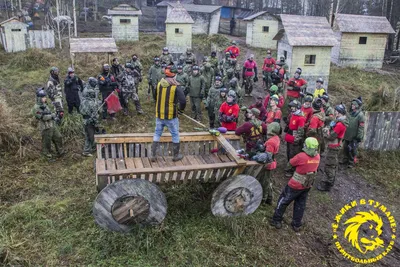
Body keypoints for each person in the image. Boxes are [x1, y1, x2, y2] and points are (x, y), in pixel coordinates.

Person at [270, 137, 320, 232]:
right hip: (307, 185)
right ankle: (296, 224)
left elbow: (290, 164)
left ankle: (276, 220)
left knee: (284, 200)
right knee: (300, 204)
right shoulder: (318, 156)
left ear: (306, 145)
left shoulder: (301, 156)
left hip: (295, 185)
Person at [150, 66, 186, 162]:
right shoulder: (176, 86)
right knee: (175, 134)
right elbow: (183, 100)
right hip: (171, 116)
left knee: (157, 133)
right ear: (174, 75)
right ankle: (176, 155)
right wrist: (181, 110)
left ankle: (153, 155)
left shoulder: (159, 84)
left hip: (159, 114)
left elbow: (155, 97)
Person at [318, 104, 348, 191]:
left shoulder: (340, 124)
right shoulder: (339, 121)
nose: (335, 112)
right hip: (335, 145)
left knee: (329, 165)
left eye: (336, 111)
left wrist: (325, 132)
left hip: (333, 147)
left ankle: (327, 184)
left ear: (339, 113)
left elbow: (331, 136)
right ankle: (329, 181)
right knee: (332, 165)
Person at [33, 88, 65, 159]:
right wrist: (52, 115)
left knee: (58, 137)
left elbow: (49, 113)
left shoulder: (45, 105)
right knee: (46, 143)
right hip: (45, 127)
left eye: (45, 97)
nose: (45, 98)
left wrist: (55, 116)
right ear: (39, 98)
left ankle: (60, 151)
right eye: (43, 97)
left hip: (52, 125)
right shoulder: (36, 107)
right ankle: (47, 156)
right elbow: (43, 117)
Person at [260, 122, 281, 204]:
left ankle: (263, 199)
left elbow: (268, 156)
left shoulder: (271, 142)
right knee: (269, 182)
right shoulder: (276, 138)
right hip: (273, 162)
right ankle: (269, 198)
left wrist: (260, 153)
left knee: (265, 182)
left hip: (269, 164)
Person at [284, 100, 306, 177]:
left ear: (297, 107)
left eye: (293, 107)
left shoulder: (301, 118)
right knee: (288, 152)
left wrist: (297, 140)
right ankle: (289, 165)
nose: (292, 108)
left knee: (293, 154)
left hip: (294, 138)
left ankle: (291, 170)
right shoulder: (293, 114)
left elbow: (300, 131)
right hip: (289, 136)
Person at [342, 97, 365, 168]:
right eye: (352, 104)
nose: (352, 106)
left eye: (354, 105)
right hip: (347, 135)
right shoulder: (351, 113)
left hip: (354, 136)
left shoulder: (360, 115)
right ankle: (345, 160)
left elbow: (361, 127)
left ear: (357, 106)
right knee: (345, 147)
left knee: (352, 150)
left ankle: (351, 162)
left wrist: (358, 137)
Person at [80, 80, 99, 157]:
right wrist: (96, 123)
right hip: (90, 122)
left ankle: (86, 151)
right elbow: (94, 115)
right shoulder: (92, 104)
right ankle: (93, 149)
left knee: (87, 136)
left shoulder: (83, 101)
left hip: (85, 120)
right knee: (92, 136)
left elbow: (80, 110)